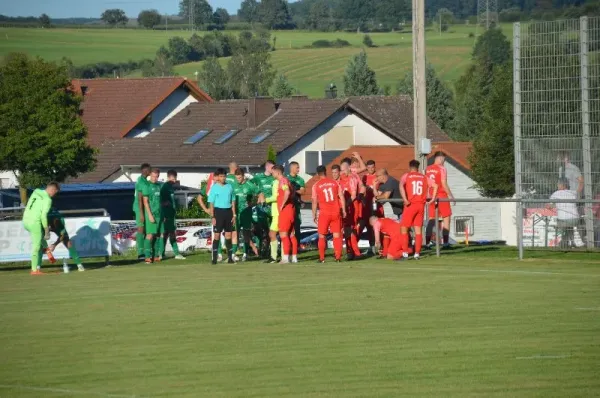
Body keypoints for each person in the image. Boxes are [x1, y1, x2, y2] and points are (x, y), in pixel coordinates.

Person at [399, 160, 437, 260]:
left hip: (410, 205)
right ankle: (417, 253)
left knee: (404, 228)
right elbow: (435, 186)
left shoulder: (406, 176)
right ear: (418, 168)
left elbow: (401, 186)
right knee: (418, 230)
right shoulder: (424, 177)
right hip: (421, 205)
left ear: (409, 167)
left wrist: (405, 199)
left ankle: (405, 254)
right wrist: (432, 199)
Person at [22, 182, 60, 275]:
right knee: (36, 246)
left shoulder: (36, 191)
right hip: (35, 222)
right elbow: (43, 216)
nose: (54, 195)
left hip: (25, 220)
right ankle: (34, 270)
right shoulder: (48, 200)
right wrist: (47, 229)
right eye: (55, 192)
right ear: (53, 190)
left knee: (40, 237)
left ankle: (47, 251)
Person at [312, 165, 346, 263]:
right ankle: (338, 257)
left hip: (324, 213)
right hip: (335, 212)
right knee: (336, 235)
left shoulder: (316, 185)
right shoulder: (335, 183)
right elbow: (341, 196)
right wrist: (343, 210)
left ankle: (322, 258)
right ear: (326, 172)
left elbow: (314, 201)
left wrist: (314, 214)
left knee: (322, 235)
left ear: (318, 174)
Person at [425, 152, 455, 248]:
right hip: (441, 195)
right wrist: (451, 196)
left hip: (431, 196)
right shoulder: (442, 168)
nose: (444, 162)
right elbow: (443, 183)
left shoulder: (427, 169)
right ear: (441, 158)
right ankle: (445, 242)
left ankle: (427, 242)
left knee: (431, 220)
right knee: (446, 219)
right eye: (444, 160)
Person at [208, 168, 237, 264]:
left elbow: (233, 201)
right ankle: (214, 258)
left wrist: (234, 214)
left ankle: (230, 258)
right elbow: (211, 203)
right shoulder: (214, 187)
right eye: (221, 176)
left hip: (228, 212)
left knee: (228, 235)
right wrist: (213, 216)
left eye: (224, 176)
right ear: (218, 177)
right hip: (218, 212)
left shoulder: (229, 186)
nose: (223, 178)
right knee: (217, 235)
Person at [234, 168, 262, 261]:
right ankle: (234, 253)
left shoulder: (250, 185)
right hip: (236, 213)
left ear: (243, 176)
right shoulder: (233, 185)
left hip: (246, 212)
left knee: (246, 234)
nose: (238, 180)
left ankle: (246, 253)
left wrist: (253, 203)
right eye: (236, 178)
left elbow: (260, 193)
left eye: (239, 178)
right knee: (235, 233)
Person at [272, 165, 298, 264]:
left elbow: (286, 192)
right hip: (291, 210)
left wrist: (282, 204)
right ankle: (294, 257)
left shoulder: (282, 180)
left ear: (278, 172)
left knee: (283, 234)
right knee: (291, 234)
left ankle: (285, 258)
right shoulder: (287, 180)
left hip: (285, 211)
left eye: (273, 172)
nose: (272, 174)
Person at [253, 160, 277, 262]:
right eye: (272, 168)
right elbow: (250, 185)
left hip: (272, 206)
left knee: (273, 230)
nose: (273, 170)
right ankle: (261, 249)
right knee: (261, 229)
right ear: (267, 167)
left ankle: (271, 251)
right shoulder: (258, 177)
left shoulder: (274, 178)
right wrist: (258, 194)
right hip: (261, 207)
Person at [47, 208, 85, 272]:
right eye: (56, 226)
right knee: (39, 241)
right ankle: (36, 268)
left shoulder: (61, 222)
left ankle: (79, 265)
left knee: (68, 243)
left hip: (54, 224)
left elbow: (62, 236)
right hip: (45, 224)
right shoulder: (46, 219)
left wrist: (54, 245)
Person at [198, 173, 225, 262]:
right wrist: (206, 209)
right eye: (216, 177)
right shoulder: (209, 186)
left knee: (228, 233)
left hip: (225, 212)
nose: (218, 179)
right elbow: (199, 198)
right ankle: (218, 253)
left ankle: (231, 253)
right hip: (215, 214)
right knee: (217, 234)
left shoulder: (225, 185)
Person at [339, 158, 363, 260]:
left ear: (349, 168)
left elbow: (353, 195)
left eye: (343, 170)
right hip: (345, 208)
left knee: (352, 230)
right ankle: (350, 252)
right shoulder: (341, 179)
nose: (342, 172)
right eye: (341, 170)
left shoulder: (352, 178)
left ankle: (356, 253)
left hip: (353, 207)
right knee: (346, 230)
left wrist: (346, 205)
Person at [160, 170, 186, 260]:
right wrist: (165, 205)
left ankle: (163, 253)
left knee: (168, 233)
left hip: (171, 213)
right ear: (168, 177)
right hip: (166, 214)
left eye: (175, 178)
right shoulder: (165, 187)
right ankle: (175, 253)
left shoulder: (171, 187)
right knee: (168, 233)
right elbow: (161, 200)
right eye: (173, 178)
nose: (174, 181)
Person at [548, 178, 579, 248]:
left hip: (563, 220)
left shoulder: (555, 194)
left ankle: (564, 242)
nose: (557, 186)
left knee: (564, 226)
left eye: (558, 185)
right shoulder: (573, 192)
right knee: (570, 227)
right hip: (575, 219)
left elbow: (549, 206)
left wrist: (553, 205)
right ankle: (572, 242)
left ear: (562, 185)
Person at [362, 159, 383, 255]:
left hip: (377, 206)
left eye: (372, 167)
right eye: (369, 167)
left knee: (379, 225)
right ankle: (371, 247)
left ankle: (381, 247)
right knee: (369, 227)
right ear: (366, 168)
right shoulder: (364, 177)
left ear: (375, 167)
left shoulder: (378, 176)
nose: (371, 169)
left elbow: (382, 189)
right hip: (367, 206)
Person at [143, 169, 163, 264]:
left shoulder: (159, 186)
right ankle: (147, 256)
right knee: (150, 234)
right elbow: (145, 202)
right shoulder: (147, 186)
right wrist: (150, 215)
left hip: (159, 213)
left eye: (156, 176)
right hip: (151, 213)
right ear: (150, 175)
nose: (154, 178)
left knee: (157, 234)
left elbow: (160, 201)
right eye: (153, 176)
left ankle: (155, 256)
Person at [133, 163, 151, 261]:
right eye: (149, 170)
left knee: (145, 230)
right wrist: (141, 213)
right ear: (145, 171)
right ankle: (140, 253)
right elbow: (140, 199)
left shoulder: (145, 181)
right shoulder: (140, 181)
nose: (150, 171)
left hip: (144, 207)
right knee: (141, 229)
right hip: (139, 207)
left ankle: (147, 251)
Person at [286, 161, 306, 244]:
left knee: (297, 225)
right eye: (297, 167)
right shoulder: (286, 178)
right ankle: (287, 245)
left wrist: (293, 190)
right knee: (287, 226)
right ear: (292, 168)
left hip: (296, 206)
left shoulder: (300, 179)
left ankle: (297, 245)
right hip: (287, 205)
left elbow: (302, 191)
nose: (298, 169)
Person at [226, 161, 240, 255]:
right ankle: (232, 252)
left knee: (225, 231)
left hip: (225, 207)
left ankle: (230, 250)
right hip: (234, 207)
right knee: (234, 231)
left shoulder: (224, 178)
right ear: (235, 168)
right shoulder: (236, 178)